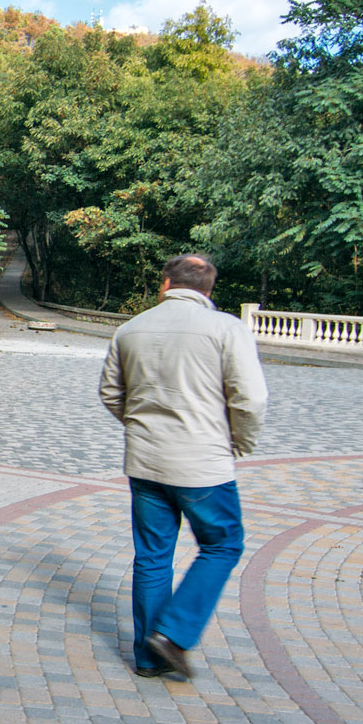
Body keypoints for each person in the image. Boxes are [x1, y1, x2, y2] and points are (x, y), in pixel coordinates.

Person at [98, 253, 267, 680]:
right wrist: (240, 442)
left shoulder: (130, 329)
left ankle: (149, 657)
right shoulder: (227, 328)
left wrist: (142, 427)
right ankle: (173, 634)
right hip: (203, 465)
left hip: (145, 461)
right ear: (208, 289)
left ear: (166, 284)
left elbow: (110, 393)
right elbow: (250, 399)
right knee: (223, 545)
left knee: (153, 555)